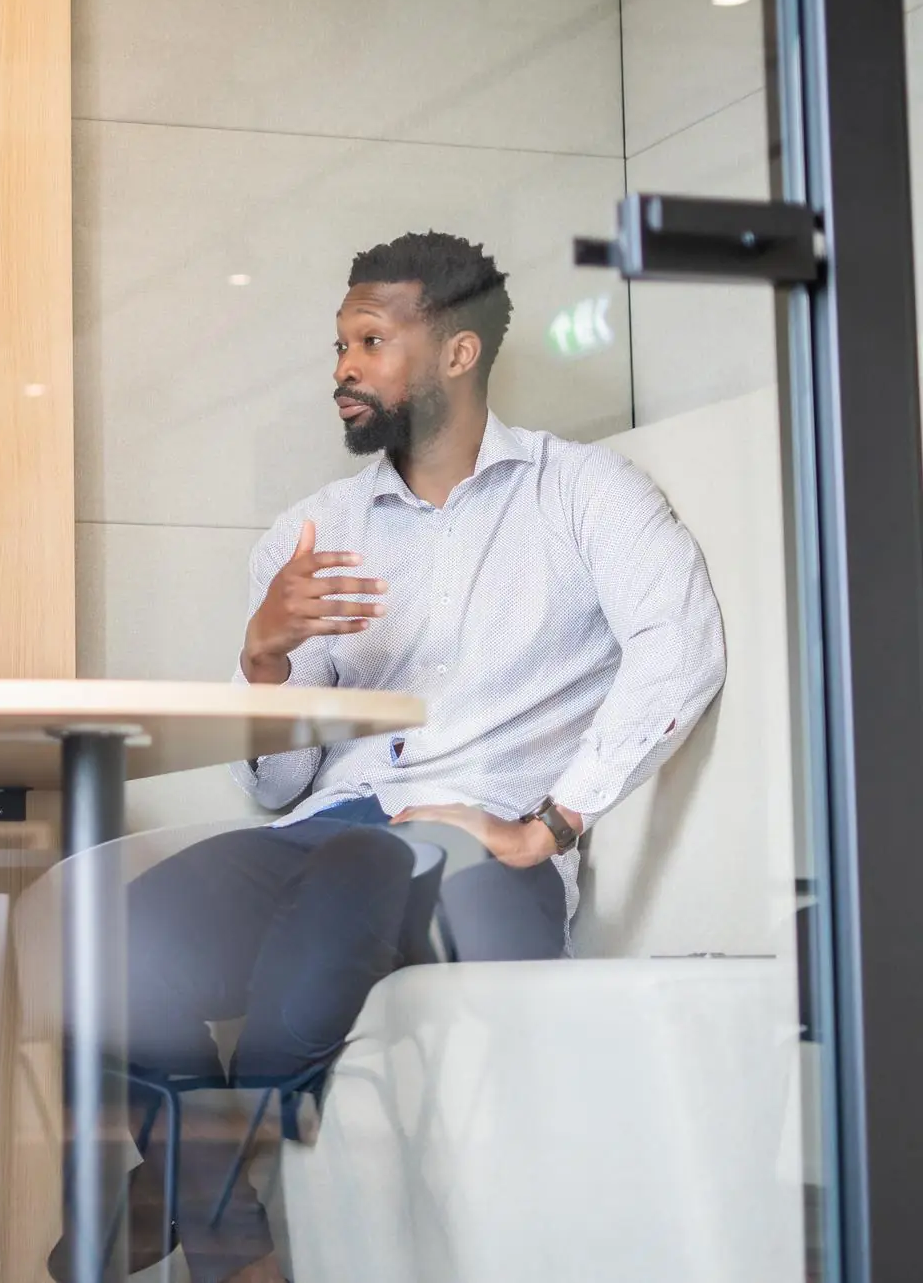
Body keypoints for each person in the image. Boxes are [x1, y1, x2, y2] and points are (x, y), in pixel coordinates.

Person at [66, 233, 726, 1283]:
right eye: (338, 343)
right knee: (103, 945)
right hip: (328, 830)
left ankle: (190, 1200)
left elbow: (679, 648)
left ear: (456, 354)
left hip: (477, 849)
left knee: (334, 925)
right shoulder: (311, 531)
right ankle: (233, 1237)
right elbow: (276, 783)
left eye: (369, 340)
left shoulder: (583, 494)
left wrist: (549, 821)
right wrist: (263, 658)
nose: (342, 366)